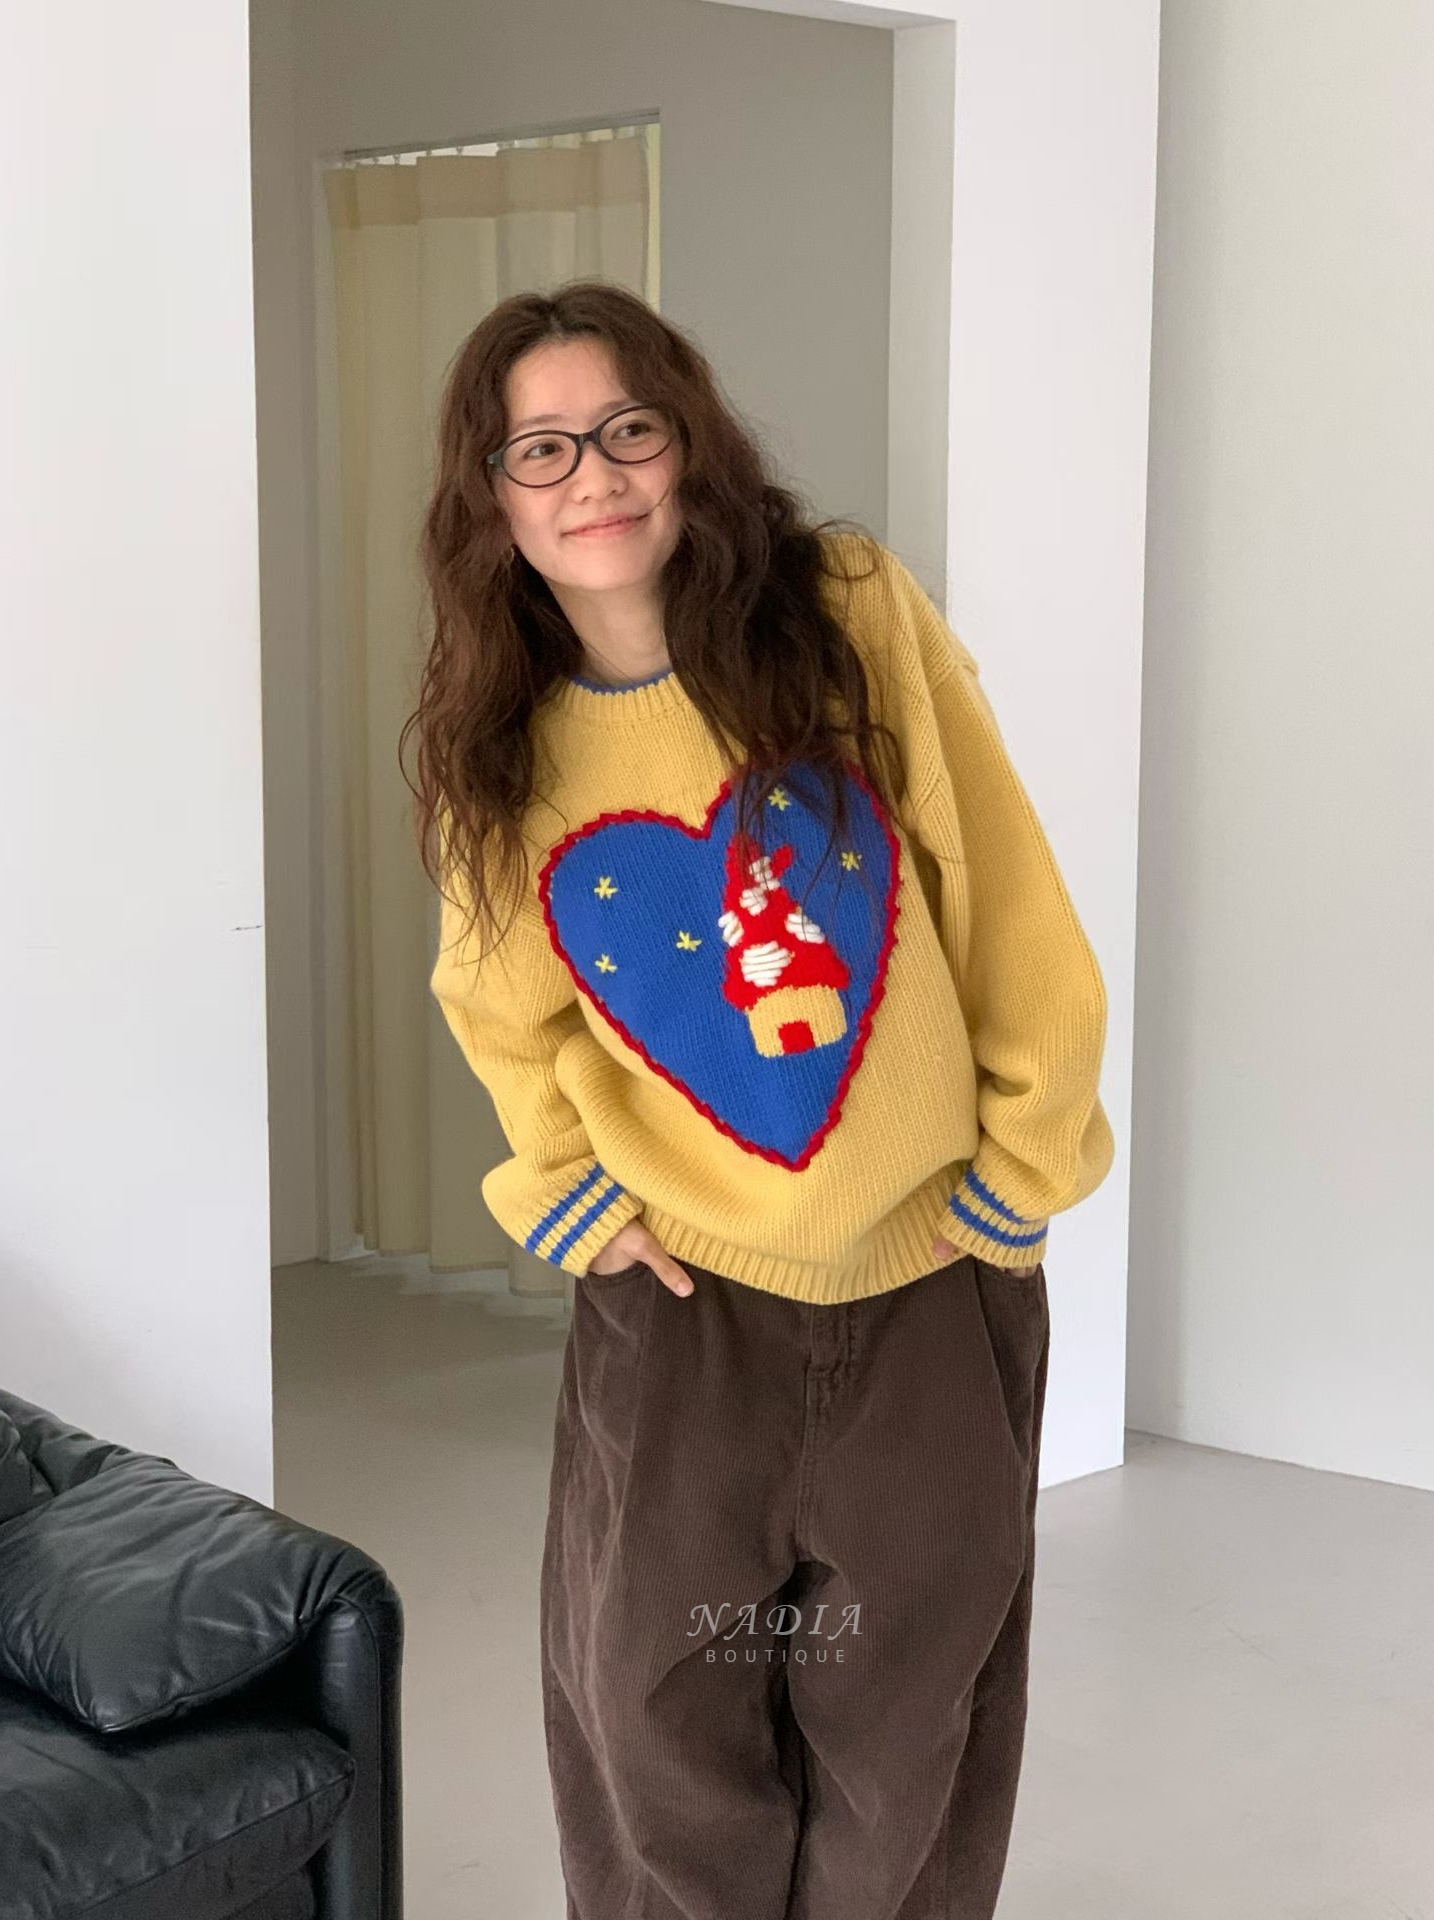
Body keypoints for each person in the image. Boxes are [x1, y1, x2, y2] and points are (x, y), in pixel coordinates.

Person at [410, 280, 1115, 1920]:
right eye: (539, 448)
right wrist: (565, 1194)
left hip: (936, 1277)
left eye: (628, 428)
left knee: (913, 1718)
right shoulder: (497, 750)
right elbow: (498, 1008)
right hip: (683, 1307)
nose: (593, 475)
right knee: (653, 1718)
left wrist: (1024, 1165)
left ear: (691, 443)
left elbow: (1003, 887)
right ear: (492, 499)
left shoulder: (848, 611)